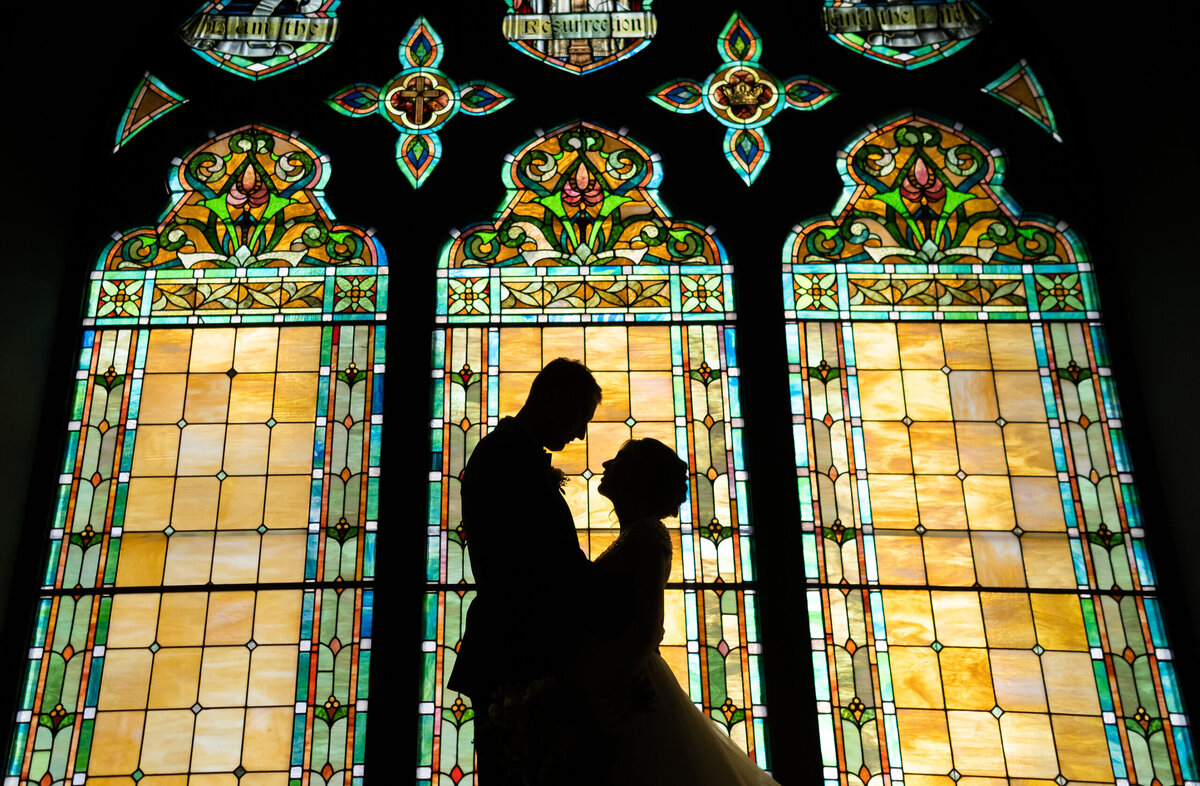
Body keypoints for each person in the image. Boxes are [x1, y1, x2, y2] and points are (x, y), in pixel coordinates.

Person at [589, 438, 782, 785]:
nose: (605, 464)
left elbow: (650, 626)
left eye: (618, 459)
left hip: (630, 680)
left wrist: (615, 684)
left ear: (638, 476)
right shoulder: (636, 534)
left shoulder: (647, 536)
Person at [447, 357, 604, 785]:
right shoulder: (508, 458)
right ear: (554, 400)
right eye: (580, 418)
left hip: (517, 643)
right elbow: (541, 564)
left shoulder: (511, 452)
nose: (580, 433)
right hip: (517, 645)